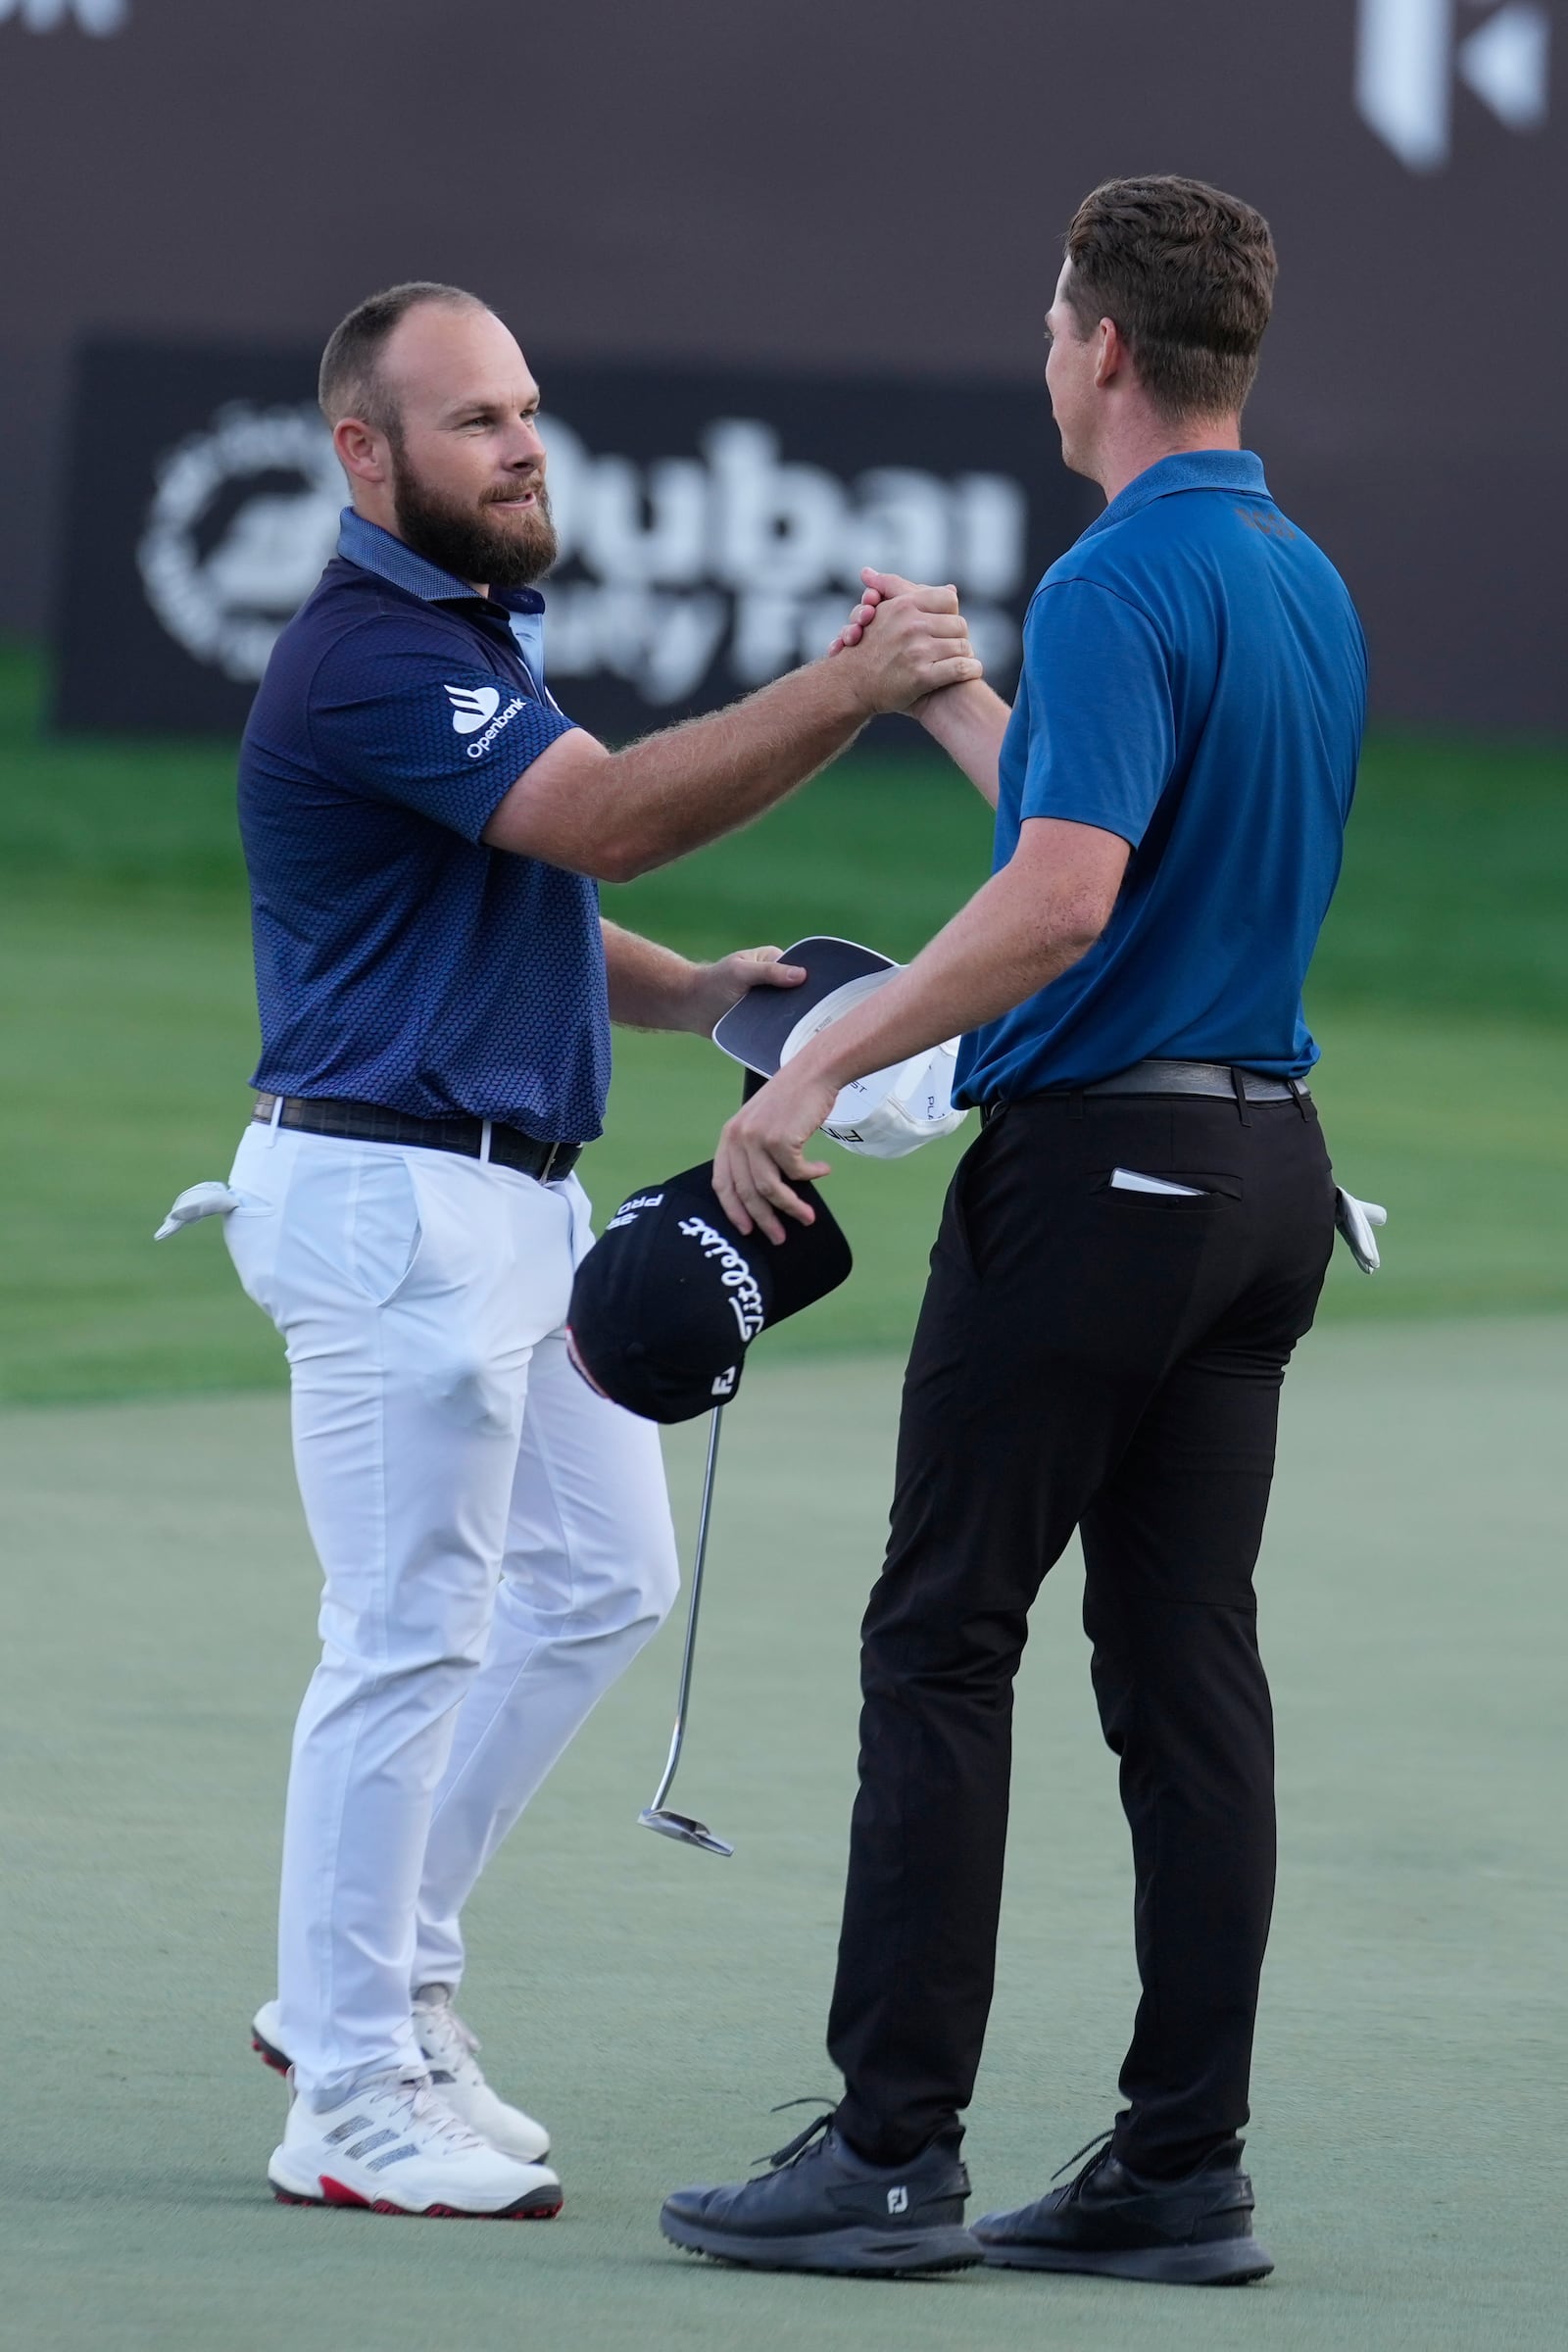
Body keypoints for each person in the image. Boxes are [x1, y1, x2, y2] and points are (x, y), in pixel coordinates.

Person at [662, 175, 1367, 2283]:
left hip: (1098, 1185)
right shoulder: (1297, 576)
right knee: (1182, 1671)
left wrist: (818, 1054)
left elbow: (1064, 905)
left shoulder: (1111, 576)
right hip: (1262, 1183)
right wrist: (957, 699)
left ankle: (888, 2151)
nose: (1043, 350)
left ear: (1100, 351)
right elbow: (1114, 843)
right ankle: (1180, 2168)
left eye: (1051, 321)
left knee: (940, 1635)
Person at [220, 279, 981, 2221]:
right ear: (364, 456)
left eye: (526, 407)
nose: (522, 442)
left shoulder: (465, 635)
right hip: (392, 1199)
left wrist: (701, 993)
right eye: (475, 419)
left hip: (499, 1196)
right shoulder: (373, 651)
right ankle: (347, 2080)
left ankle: (382, 1985)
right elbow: (611, 822)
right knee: (403, 1632)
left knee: (592, 1584)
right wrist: (851, 688)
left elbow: (535, 889)